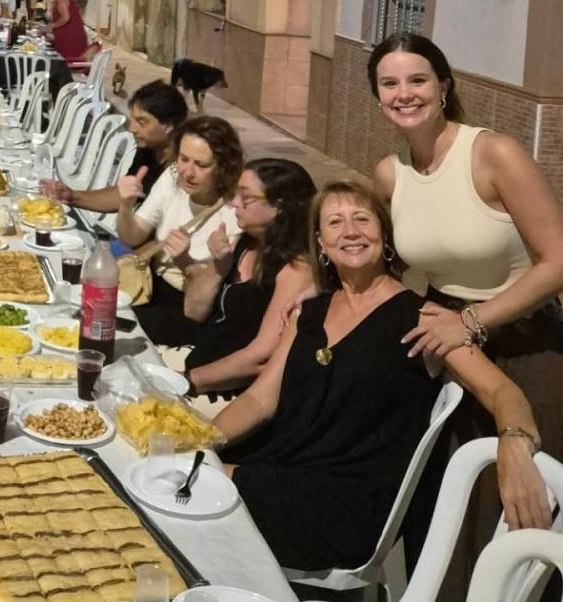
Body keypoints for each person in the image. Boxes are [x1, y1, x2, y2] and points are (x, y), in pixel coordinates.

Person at [213, 182, 551, 573]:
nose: (350, 231)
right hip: (283, 471)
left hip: (346, 505)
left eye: (362, 219)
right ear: (320, 244)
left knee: (194, 491)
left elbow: (502, 390)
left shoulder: (422, 319)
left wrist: (514, 443)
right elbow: (259, 399)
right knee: (184, 476)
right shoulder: (308, 313)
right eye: (335, 222)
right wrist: (200, 442)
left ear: (385, 239)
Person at [368, 32, 563, 591]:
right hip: (449, 350)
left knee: (513, 516)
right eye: (390, 83)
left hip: (525, 344)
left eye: (417, 79)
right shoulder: (390, 173)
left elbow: (557, 260)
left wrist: (472, 321)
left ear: (444, 85)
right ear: (378, 97)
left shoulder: (492, 153)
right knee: (443, 513)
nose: (405, 93)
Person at [176, 159, 316, 401]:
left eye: (246, 197)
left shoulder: (296, 269)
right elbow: (192, 311)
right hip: (198, 360)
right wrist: (218, 268)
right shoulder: (244, 242)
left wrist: (184, 381)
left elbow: (260, 357)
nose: (234, 203)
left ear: (279, 206)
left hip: (229, 391)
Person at [117, 115, 243, 346]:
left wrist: (185, 261)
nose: (188, 172)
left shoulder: (233, 211)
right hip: (149, 286)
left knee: (114, 329)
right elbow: (131, 236)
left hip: (188, 308)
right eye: (184, 159)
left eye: (202, 165)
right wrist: (125, 206)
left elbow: (204, 302)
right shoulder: (173, 176)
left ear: (225, 167)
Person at [53, 81, 188, 213]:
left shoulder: (185, 166)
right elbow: (123, 195)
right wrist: (71, 196)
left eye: (142, 122)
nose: (131, 129)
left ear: (169, 125)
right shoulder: (148, 149)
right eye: (132, 120)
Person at [43, 0, 88, 69]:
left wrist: (52, 26)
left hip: (70, 41)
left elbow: (65, 18)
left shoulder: (62, 0)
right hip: (77, 36)